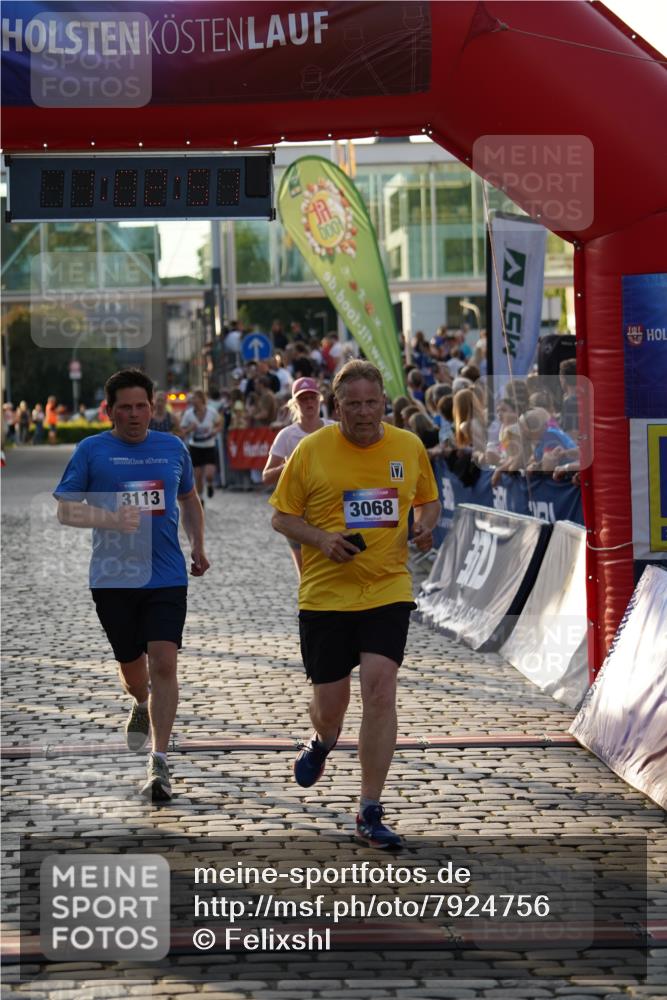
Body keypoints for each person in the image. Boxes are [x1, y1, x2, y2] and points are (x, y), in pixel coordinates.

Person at [269, 360, 440, 848]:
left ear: (383, 401)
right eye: (353, 403)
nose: (364, 412)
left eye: (372, 402)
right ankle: (323, 740)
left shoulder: (407, 446)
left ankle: (369, 807)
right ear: (335, 405)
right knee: (331, 705)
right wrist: (321, 540)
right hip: (325, 594)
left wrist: (425, 524)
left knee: (380, 688)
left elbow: (428, 499)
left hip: (387, 588)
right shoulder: (311, 450)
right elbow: (282, 517)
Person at [54, 368, 209, 801]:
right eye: (125, 407)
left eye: (142, 405)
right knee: (133, 669)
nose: (135, 414)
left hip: (166, 575)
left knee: (164, 662)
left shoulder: (173, 447)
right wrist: (109, 518)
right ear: (110, 411)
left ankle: (159, 761)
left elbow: (189, 498)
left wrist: (198, 544)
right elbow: (66, 509)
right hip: (113, 579)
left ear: (153, 407)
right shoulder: (91, 450)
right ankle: (139, 703)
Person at [262, 377, 334, 576]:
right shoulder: (286, 435)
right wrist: (289, 466)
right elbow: (266, 476)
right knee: (306, 573)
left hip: (329, 508)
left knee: (332, 568)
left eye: (312, 397)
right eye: (303, 399)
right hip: (296, 511)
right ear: (295, 403)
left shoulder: (334, 430)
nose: (309, 403)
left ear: (320, 400)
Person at [180, 388, 223, 504]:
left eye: (195, 398)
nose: (192, 400)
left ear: (201, 399)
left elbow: (219, 424)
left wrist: (215, 430)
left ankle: (209, 484)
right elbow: (182, 430)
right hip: (195, 446)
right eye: (192, 398)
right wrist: (190, 428)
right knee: (198, 475)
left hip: (209, 445)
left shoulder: (211, 411)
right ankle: (201, 497)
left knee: (209, 474)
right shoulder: (188, 414)